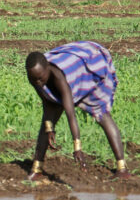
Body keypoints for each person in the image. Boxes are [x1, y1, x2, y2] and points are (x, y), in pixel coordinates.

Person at [25, 41, 130, 180]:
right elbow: (46, 101)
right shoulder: (34, 75)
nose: (37, 83)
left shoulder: (59, 79)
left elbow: (71, 115)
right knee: (45, 127)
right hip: (64, 81)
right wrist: (50, 128)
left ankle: (122, 169)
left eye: (40, 78)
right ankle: (36, 170)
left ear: (47, 68)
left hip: (87, 72)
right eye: (34, 79)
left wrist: (77, 148)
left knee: (102, 116)